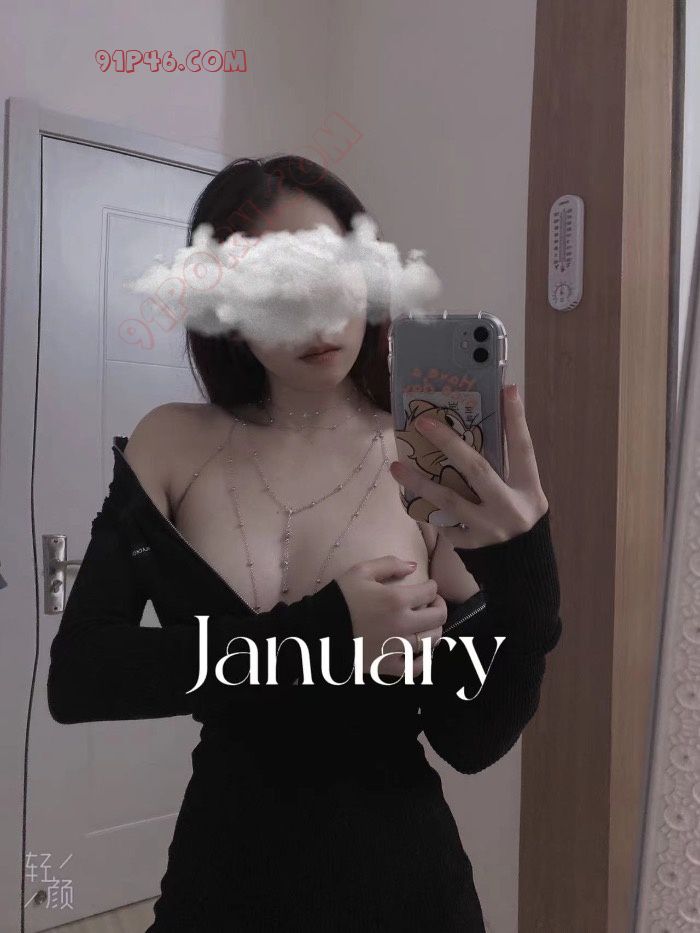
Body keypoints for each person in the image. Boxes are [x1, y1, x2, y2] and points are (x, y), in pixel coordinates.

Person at [47, 155, 562, 932]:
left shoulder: (420, 460)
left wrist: (527, 576)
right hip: (223, 884)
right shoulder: (172, 443)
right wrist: (327, 632)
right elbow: (82, 675)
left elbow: (471, 735)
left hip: (406, 890)